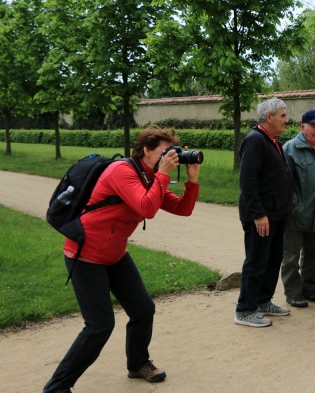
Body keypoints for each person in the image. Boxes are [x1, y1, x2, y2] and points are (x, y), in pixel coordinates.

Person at [43, 126, 201, 393]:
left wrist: (192, 179)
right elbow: (147, 208)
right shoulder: (122, 171)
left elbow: (183, 209)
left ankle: (137, 363)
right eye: (164, 153)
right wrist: (162, 175)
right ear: (146, 150)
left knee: (143, 309)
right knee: (99, 325)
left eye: (172, 153)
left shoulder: (151, 177)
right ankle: (57, 386)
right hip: (86, 254)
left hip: (115, 254)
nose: (169, 158)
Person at [235, 97, 294, 327]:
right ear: (269, 117)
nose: (286, 120)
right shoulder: (255, 140)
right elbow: (247, 182)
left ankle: (263, 301)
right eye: (282, 116)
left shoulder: (271, 140)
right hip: (262, 216)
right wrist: (258, 214)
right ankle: (245, 309)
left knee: (273, 259)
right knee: (257, 261)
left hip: (277, 214)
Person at [281, 110, 315, 308]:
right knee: (291, 256)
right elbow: (285, 184)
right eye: (314, 126)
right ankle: (293, 292)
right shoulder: (290, 149)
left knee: (313, 253)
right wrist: (293, 206)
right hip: (296, 213)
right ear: (303, 127)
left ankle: (308, 286)